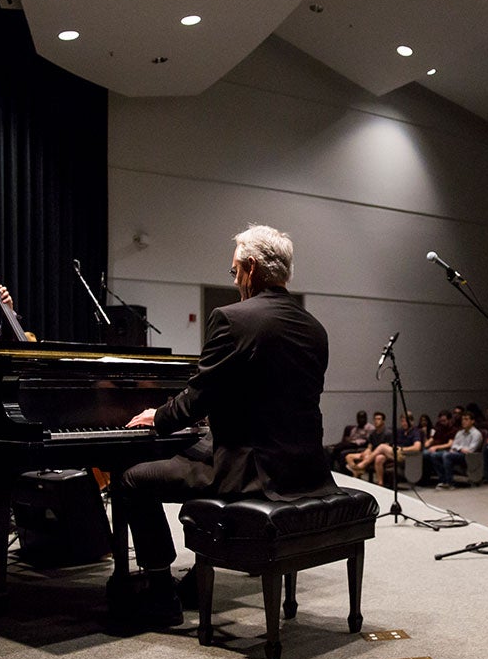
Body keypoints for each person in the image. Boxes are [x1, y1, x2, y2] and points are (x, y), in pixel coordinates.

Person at [116, 225, 337, 626]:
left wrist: (159, 416)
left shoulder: (233, 319)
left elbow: (198, 396)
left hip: (250, 469)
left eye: (235, 272)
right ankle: (196, 576)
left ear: (251, 268)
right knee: (193, 450)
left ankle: (160, 592)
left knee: (132, 479)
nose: (234, 281)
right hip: (304, 469)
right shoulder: (314, 328)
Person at [427, 412, 483, 489]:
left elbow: (471, 450)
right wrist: (460, 449)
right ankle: (443, 480)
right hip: (457, 453)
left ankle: (450, 483)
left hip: (469, 457)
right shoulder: (460, 433)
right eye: (463, 419)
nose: (463, 421)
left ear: (472, 421)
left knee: (447, 455)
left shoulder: (476, 434)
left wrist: (458, 448)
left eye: (466, 419)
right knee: (434, 455)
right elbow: (454, 445)